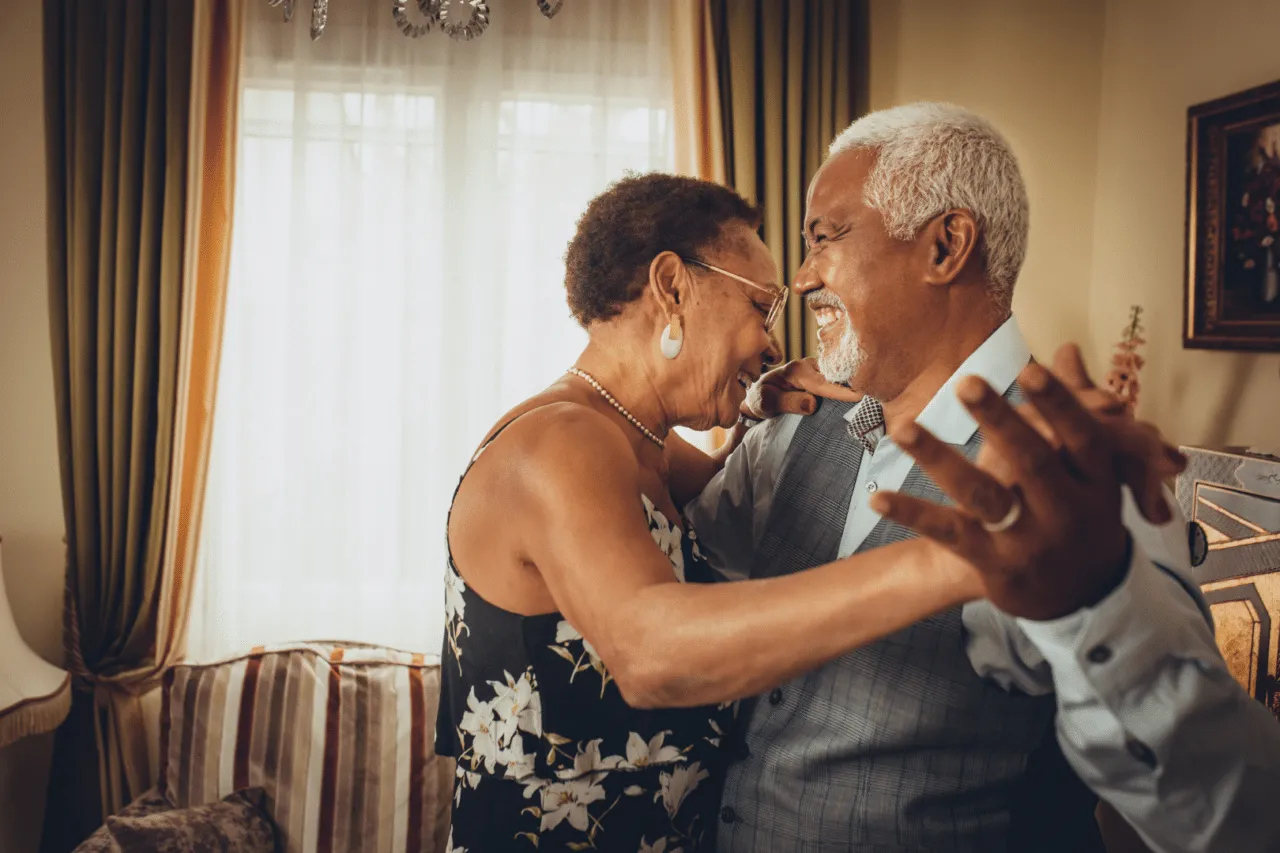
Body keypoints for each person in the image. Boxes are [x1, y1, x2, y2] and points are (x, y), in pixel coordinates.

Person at [434, 172, 1182, 852]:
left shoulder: (642, 447)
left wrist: (756, 408)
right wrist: (954, 555)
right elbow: (650, 653)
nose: (770, 341)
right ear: (672, 286)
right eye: (761, 306)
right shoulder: (558, 445)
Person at [688, 102, 1280, 853]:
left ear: (946, 245)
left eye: (825, 237)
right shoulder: (788, 425)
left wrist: (1098, 600)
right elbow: (674, 578)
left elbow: (1235, 818)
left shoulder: (1076, 473)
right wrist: (718, 401)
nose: (803, 280)